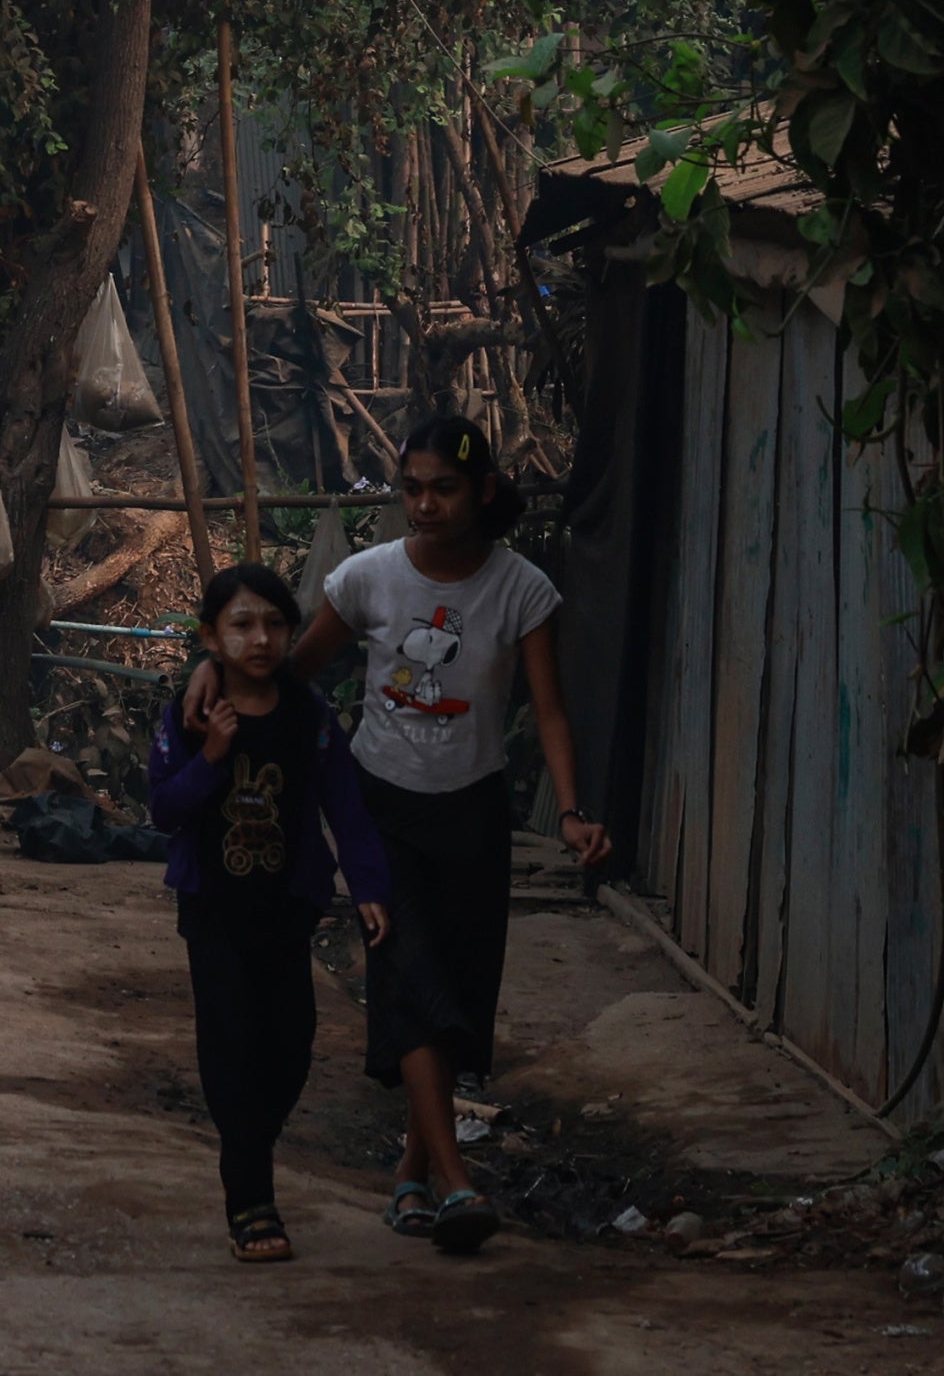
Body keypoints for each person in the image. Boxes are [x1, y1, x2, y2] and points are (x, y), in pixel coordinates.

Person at [186, 415, 609, 1256]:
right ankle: (455, 1183)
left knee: (453, 993)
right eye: (411, 487)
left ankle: (413, 1176)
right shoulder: (367, 578)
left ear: (482, 491)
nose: (422, 503)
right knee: (410, 978)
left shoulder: (521, 588)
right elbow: (292, 669)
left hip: (475, 809)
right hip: (382, 808)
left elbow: (549, 709)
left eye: (441, 488)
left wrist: (569, 808)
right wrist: (212, 666)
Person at [151, 562, 395, 1266]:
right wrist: (214, 756)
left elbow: (343, 803)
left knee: (291, 1045)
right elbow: (162, 806)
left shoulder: (309, 715)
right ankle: (250, 1197)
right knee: (229, 1045)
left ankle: (248, 1143)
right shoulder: (190, 713)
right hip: (214, 910)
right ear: (211, 635)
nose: (260, 638)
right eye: (241, 624)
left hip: (288, 908)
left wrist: (369, 883)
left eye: (275, 623)